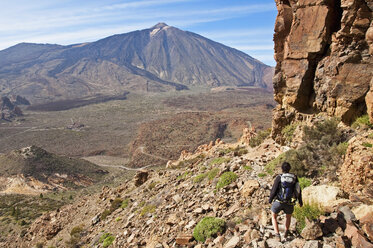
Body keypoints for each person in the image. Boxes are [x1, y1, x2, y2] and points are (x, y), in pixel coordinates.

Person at [268, 162, 303, 241]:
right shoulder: (294, 177)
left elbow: (273, 190)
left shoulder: (279, 177)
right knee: (288, 217)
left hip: (279, 201)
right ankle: (286, 231)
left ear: (282, 169)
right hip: (290, 202)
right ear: (289, 168)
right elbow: (298, 190)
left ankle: (277, 235)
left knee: (273, 216)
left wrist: (270, 199)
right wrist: (300, 201)